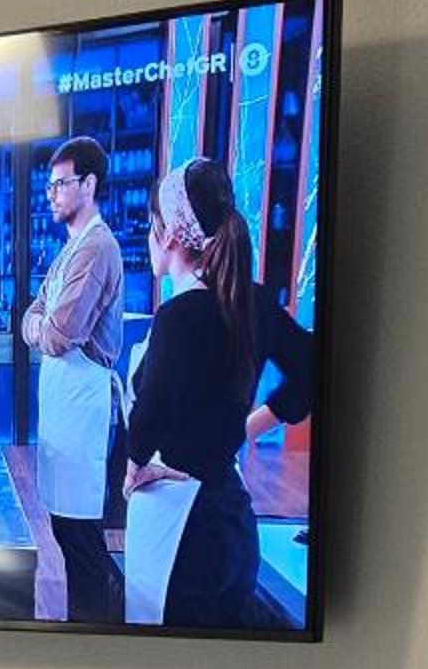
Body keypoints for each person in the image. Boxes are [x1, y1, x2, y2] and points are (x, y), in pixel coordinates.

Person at [122, 157, 317, 630]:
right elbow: (314, 368)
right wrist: (249, 426)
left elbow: (150, 413)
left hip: (184, 540)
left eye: (151, 225)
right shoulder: (254, 302)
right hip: (232, 524)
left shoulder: (178, 317)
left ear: (171, 235)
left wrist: (135, 465)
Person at [20, 135, 126, 622]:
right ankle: (85, 627)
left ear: (89, 184)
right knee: (66, 531)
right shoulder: (72, 248)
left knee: (81, 538)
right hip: (64, 404)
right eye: (50, 186)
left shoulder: (97, 247)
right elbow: (34, 314)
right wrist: (39, 325)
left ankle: (97, 632)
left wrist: (40, 327)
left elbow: (59, 334)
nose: (53, 194)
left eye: (62, 184)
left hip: (83, 404)